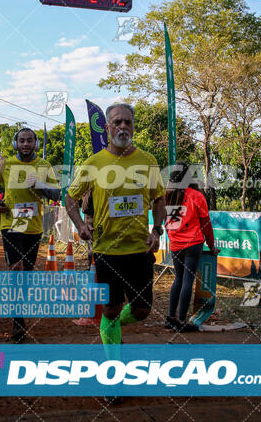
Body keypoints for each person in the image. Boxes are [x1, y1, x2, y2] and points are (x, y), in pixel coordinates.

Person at [66, 103, 166, 363]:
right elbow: (70, 199)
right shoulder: (94, 163)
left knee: (142, 310)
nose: (123, 127)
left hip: (139, 248)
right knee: (110, 309)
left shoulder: (147, 161)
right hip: (106, 251)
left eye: (127, 122)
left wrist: (156, 229)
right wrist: (80, 225)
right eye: (117, 122)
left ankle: (112, 329)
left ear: (133, 126)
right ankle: (113, 371)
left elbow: (158, 199)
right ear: (107, 127)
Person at [0, 127, 60, 343]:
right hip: (10, 223)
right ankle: (18, 323)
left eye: (29, 141)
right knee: (16, 268)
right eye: (21, 141)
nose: (25, 144)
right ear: (15, 143)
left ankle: (18, 309)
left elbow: (56, 194)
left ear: (35, 144)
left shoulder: (44, 166)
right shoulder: (5, 164)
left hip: (33, 227)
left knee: (26, 273)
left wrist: (40, 184)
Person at [164, 162, 219, 333]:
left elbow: (168, 222)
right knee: (188, 280)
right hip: (193, 244)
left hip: (175, 244)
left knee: (178, 279)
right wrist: (211, 245)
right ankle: (181, 321)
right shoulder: (196, 196)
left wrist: (173, 239)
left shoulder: (167, 195)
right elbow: (206, 224)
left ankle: (170, 318)